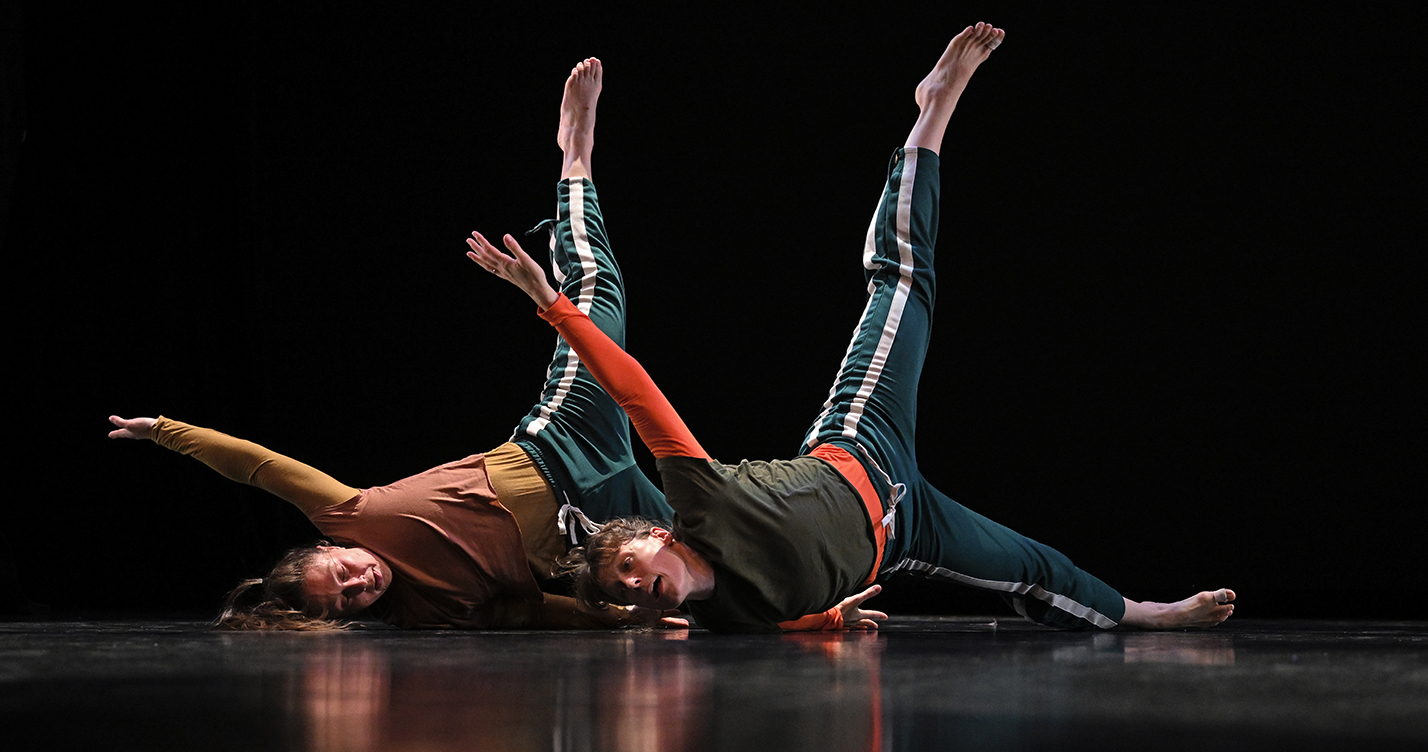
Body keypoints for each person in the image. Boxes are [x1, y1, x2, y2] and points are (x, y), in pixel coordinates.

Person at [467, 25, 1237, 633]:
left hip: (861, 445)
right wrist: (829, 616)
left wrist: (551, 304)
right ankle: (1143, 613)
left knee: (901, 284)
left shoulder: (701, 500)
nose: (633, 586)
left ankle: (930, 115)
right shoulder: (723, 620)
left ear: (657, 538)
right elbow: (783, 616)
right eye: (622, 595)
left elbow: (635, 394)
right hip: (905, 530)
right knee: (1032, 568)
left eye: (626, 568)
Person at [106, 59, 681, 631]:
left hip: (562, 441)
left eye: (342, 574)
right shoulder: (427, 610)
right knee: (710, 553)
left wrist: (163, 430)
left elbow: (260, 467)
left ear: (329, 547)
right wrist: (625, 619)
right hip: (595, 526)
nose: (361, 582)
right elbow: (523, 608)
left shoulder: (353, 515)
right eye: (351, 600)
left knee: (595, 298)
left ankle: (574, 153)